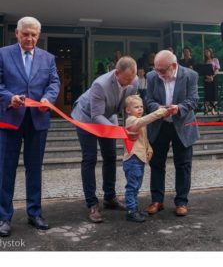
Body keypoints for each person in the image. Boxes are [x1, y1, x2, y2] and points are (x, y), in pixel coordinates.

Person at [0, 17, 60, 237]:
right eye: (25, 34)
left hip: (38, 120)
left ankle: (34, 213)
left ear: (39, 35)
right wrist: (9, 97)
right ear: (17, 33)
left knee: (34, 169)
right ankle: (3, 217)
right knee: (5, 171)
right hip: (9, 120)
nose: (30, 38)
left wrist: (48, 98)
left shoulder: (48, 58)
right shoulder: (3, 54)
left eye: (34, 34)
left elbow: (54, 83)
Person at [71, 56, 139, 223]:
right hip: (87, 118)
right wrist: (119, 131)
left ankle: (110, 197)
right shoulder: (100, 84)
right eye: (126, 80)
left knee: (110, 156)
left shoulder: (134, 81)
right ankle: (92, 204)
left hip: (109, 115)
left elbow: (127, 108)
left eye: (132, 79)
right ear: (117, 73)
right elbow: (96, 116)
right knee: (90, 158)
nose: (130, 84)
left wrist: (129, 127)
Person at [144, 50, 199, 217]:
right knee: (156, 163)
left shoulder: (190, 75)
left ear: (173, 66)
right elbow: (148, 100)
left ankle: (181, 202)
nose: (158, 73)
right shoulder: (152, 76)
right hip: (160, 126)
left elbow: (194, 99)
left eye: (161, 70)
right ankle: (156, 200)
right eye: (156, 69)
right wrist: (157, 109)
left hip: (182, 125)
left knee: (183, 165)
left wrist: (179, 108)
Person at [122, 95, 168, 223]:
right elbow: (142, 122)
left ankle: (134, 208)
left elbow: (143, 139)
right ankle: (130, 211)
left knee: (136, 186)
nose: (140, 109)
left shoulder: (138, 119)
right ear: (128, 110)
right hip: (132, 160)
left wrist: (149, 149)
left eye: (141, 107)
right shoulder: (131, 120)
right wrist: (158, 113)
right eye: (136, 107)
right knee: (132, 186)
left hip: (139, 159)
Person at [203, 47, 220, 115]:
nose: (206, 53)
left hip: (213, 77)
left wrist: (212, 76)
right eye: (205, 52)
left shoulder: (215, 59)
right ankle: (206, 109)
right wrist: (207, 76)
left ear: (211, 52)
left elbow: (217, 69)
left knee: (214, 94)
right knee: (207, 94)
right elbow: (203, 70)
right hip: (206, 78)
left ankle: (213, 109)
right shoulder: (204, 61)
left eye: (208, 51)